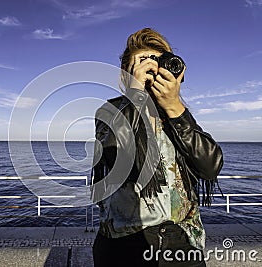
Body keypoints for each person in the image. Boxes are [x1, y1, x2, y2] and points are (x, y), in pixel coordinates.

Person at [91, 28, 223, 266]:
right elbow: (117, 158)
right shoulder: (110, 112)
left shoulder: (179, 115)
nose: (152, 68)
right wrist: (136, 96)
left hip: (184, 243)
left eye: (157, 61)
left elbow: (210, 166)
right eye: (142, 62)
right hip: (124, 244)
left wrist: (174, 108)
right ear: (125, 76)